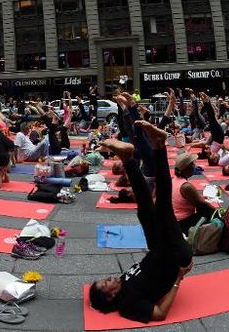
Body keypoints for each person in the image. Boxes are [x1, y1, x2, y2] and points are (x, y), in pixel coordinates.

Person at [89, 121, 193, 323]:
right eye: (105, 284)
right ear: (110, 296)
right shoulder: (128, 304)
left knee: (145, 210)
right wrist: (178, 279)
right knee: (163, 208)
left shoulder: (122, 282)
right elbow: (160, 314)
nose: (109, 278)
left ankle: (128, 158)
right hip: (176, 257)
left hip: (158, 249)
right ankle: (159, 145)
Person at [171, 152, 216, 233]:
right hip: (182, 223)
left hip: (174, 220)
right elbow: (202, 204)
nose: (194, 166)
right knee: (211, 214)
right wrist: (219, 212)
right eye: (192, 164)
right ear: (186, 168)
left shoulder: (174, 180)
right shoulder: (186, 186)